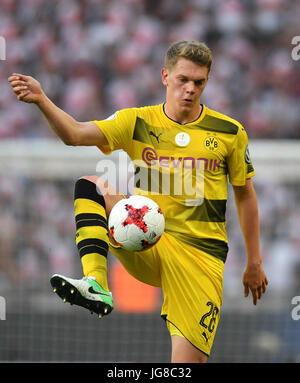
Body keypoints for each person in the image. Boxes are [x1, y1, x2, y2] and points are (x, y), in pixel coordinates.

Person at [8, 40, 268, 363]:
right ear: (165, 76)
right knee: (92, 186)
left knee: (187, 366)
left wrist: (254, 261)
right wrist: (41, 99)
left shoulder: (229, 132)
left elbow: (245, 195)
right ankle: (96, 283)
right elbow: (74, 134)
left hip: (200, 259)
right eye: (182, 79)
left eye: (199, 82)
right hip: (149, 239)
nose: (190, 89)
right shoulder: (137, 122)